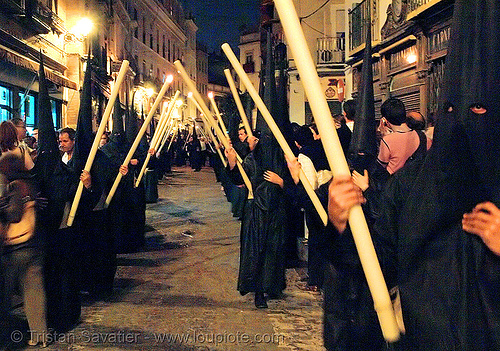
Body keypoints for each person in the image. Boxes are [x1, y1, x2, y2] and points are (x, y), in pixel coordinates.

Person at [376, 98, 431, 175]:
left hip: (396, 184)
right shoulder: (424, 138)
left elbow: (380, 167)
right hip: (419, 183)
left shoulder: (387, 141)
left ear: (385, 120)